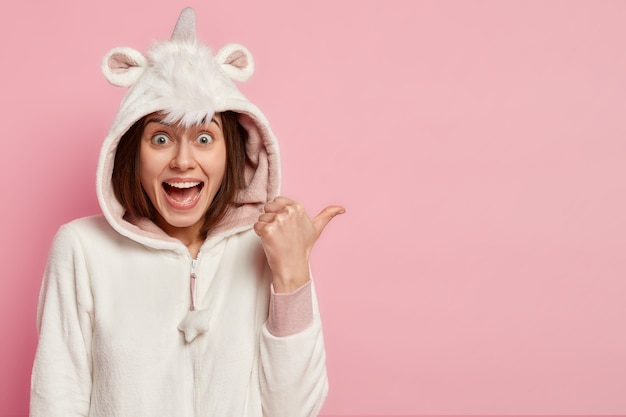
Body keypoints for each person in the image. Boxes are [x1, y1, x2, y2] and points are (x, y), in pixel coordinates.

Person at [30, 8, 343, 417]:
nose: (182, 161)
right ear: (131, 153)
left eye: (204, 137)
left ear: (233, 152)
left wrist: (292, 272)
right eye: (160, 137)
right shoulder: (82, 250)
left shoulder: (269, 249)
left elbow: (293, 410)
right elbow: (57, 398)